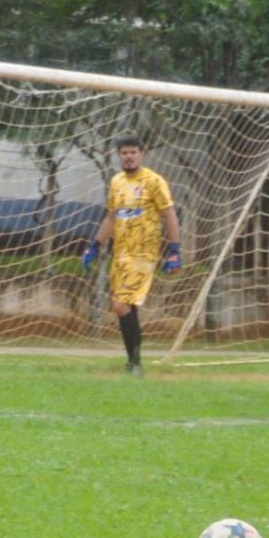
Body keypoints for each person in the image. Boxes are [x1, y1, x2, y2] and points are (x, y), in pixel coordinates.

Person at [82, 136, 181, 375]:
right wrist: (94, 245)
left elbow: (169, 215)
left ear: (141, 154)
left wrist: (175, 251)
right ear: (119, 156)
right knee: (128, 307)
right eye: (124, 153)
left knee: (120, 305)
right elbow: (111, 218)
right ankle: (134, 363)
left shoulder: (153, 181)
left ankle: (135, 363)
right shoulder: (116, 182)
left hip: (143, 254)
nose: (128, 156)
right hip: (121, 254)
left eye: (133, 152)